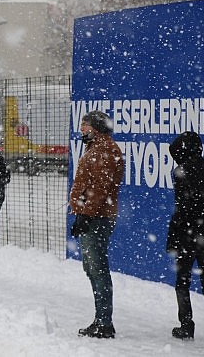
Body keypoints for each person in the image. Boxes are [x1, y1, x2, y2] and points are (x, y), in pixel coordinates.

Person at [69, 110, 124, 339]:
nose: (81, 129)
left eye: (85, 125)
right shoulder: (96, 148)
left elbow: (100, 188)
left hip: (97, 219)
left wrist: (86, 214)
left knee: (98, 268)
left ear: (96, 128)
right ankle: (101, 319)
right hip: (93, 216)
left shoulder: (104, 150)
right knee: (91, 268)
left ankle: (104, 322)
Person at [166, 131, 204, 340]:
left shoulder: (181, 171)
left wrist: (174, 237)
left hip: (188, 235)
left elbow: (182, 209)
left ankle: (186, 324)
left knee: (183, 281)